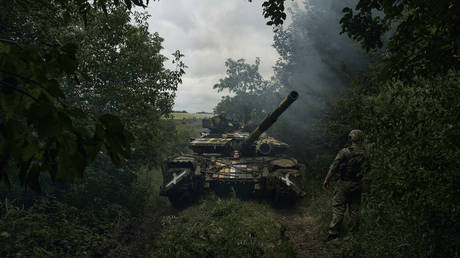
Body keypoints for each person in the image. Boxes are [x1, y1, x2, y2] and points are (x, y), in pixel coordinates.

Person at [323, 129, 370, 241]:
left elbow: (333, 167)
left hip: (344, 183)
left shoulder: (344, 152)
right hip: (358, 184)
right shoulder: (366, 154)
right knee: (355, 210)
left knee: (338, 208)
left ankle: (333, 234)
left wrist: (326, 180)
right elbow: (367, 169)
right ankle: (353, 235)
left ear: (351, 138)